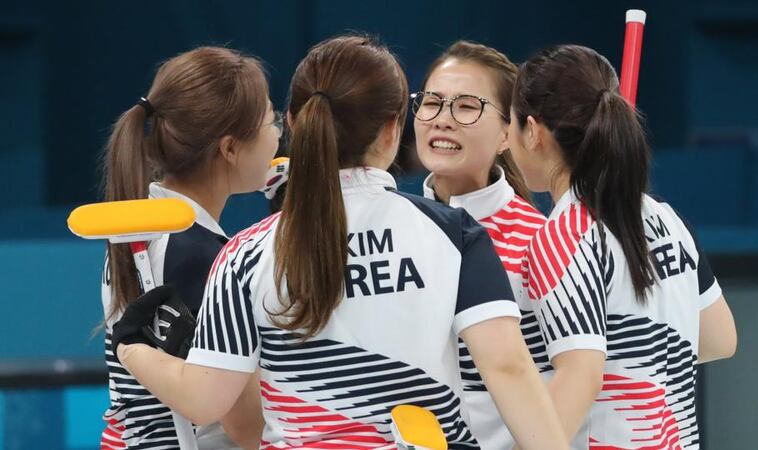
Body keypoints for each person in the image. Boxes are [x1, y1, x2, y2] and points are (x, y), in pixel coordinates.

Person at [111, 34, 568, 450]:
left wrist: (134, 347)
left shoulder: (244, 255)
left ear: (294, 121)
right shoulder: (456, 234)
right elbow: (509, 368)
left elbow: (207, 400)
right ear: (394, 129)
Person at [507, 44, 738, 449]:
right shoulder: (666, 218)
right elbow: (719, 338)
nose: (506, 139)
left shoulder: (559, 237)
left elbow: (581, 373)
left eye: (509, 125)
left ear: (533, 132)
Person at [100, 46, 280, 449]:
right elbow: (247, 428)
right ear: (230, 148)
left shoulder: (140, 227)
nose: (279, 135)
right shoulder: (201, 254)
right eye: (273, 121)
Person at [412, 40, 547, 449]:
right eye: (431, 102)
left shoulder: (542, 241)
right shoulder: (396, 229)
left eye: (467, 107)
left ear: (508, 132)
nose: (442, 120)